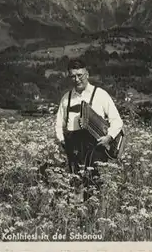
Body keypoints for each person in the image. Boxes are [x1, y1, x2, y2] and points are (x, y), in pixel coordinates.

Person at [55, 59, 123, 201]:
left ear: (87, 74)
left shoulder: (101, 94)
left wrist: (109, 137)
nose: (77, 79)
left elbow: (117, 121)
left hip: (96, 147)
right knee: (76, 185)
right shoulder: (66, 98)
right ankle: (78, 216)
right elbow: (58, 124)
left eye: (80, 75)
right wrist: (62, 142)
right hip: (73, 148)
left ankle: (94, 216)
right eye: (73, 76)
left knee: (95, 185)